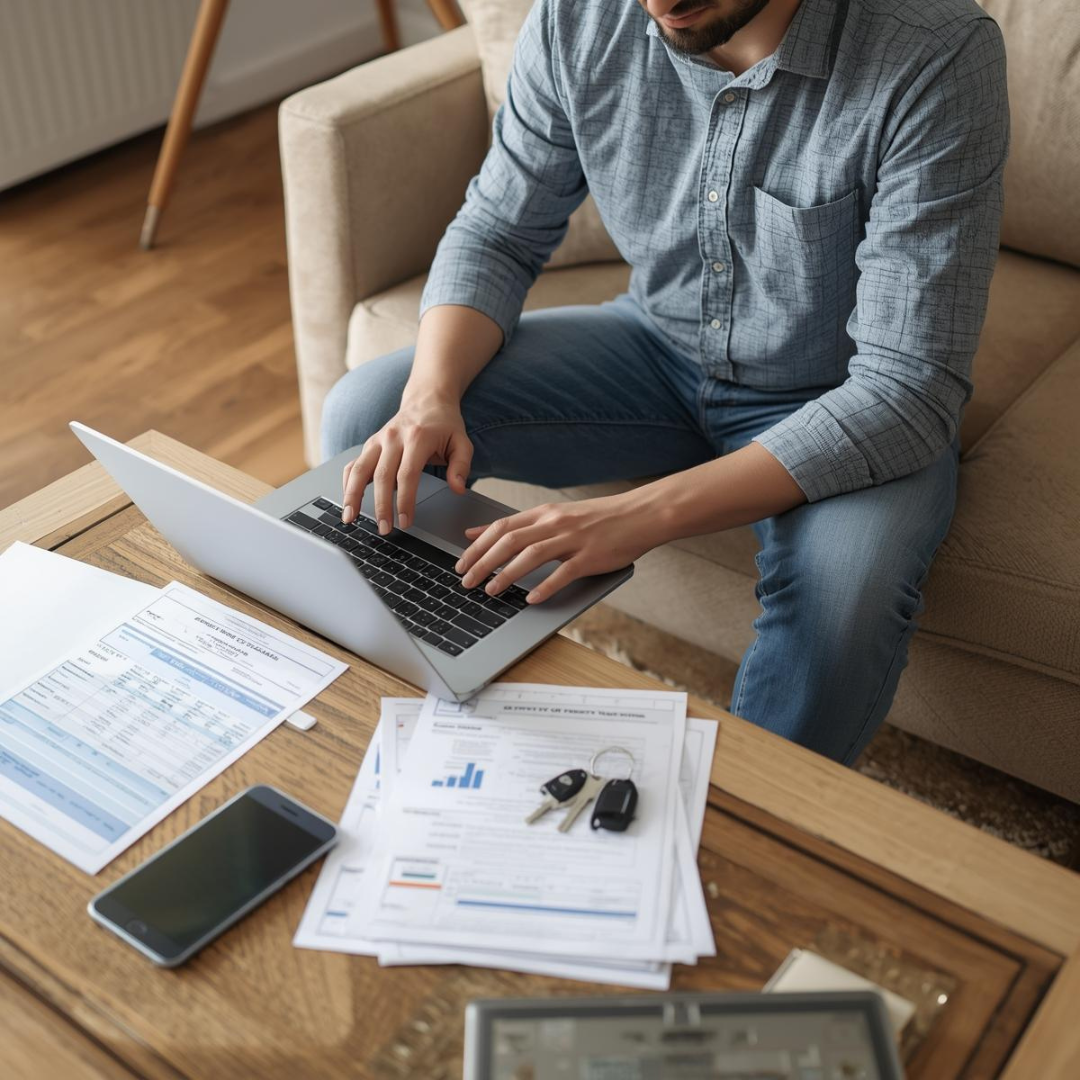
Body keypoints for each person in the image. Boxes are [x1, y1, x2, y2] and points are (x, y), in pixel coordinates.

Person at [321, 0, 1009, 763]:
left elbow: (906, 391)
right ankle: (450, 739)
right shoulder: (578, 19)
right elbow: (499, 229)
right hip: (655, 346)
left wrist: (634, 517)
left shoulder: (935, 51)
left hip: (842, 395)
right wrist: (430, 398)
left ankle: (743, 835)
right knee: (370, 413)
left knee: (845, 597)